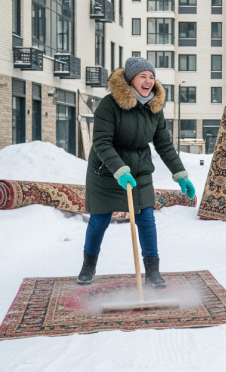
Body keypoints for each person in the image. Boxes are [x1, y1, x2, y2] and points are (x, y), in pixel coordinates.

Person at [77, 57, 197, 287]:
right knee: (99, 219)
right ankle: (88, 266)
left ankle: (153, 272)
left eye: (151, 77)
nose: (148, 81)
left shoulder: (154, 108)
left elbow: (163, 144)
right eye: (143, 76)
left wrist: (180, 174)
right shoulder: (110, 105)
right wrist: (119, 170)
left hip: (139, 168)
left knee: (146, 218)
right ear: (131, 79)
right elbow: (101, 142)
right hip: (106, 169)